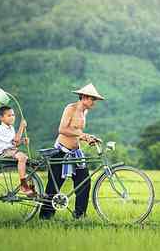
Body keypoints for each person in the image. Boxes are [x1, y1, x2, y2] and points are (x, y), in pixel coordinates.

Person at [39, 83, 105, 220]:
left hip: (76, 152)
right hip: (61, 151)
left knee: (84, 181)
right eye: (93, 99)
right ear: (85, 97)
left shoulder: (84, 112)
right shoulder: (71, 108)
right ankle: (45, 218)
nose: (94, 103)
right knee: (54, 186)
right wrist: (81, 135)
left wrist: (88, 138)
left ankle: (80, 215)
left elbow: (77, 132)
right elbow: (62, 129)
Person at [0, 105, 35, 196]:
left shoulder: (11, 128)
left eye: (13, 115)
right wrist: (22, 126)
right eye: (9, 115)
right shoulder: (2, 129)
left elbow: (15, 143)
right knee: (22, 157)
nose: (12, 117)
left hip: (11, 150)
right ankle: (23, 185)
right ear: (1, 118)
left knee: (28, 161)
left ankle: (31, 187)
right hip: (4, 151)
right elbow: (16, 140)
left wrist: (23, 141)